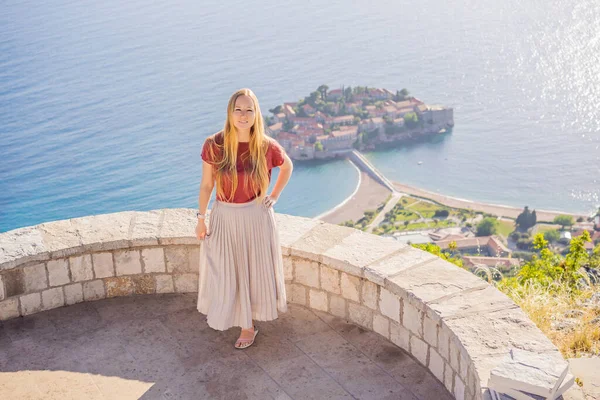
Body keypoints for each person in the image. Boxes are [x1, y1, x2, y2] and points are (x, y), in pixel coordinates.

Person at [195, 88, 293, 349]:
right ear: (230, 111)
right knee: (227, 270)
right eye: (238, 109)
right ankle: (231, 315)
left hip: (256, 216)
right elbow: (206, 186)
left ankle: (248, 327)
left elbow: (287, 166)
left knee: (252, 271)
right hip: (224, 216)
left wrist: (274, 195)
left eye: (249, 110)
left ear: (256, 113)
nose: (243, 115)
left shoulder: (265, 145)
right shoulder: (214, 144)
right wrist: (201, 218)